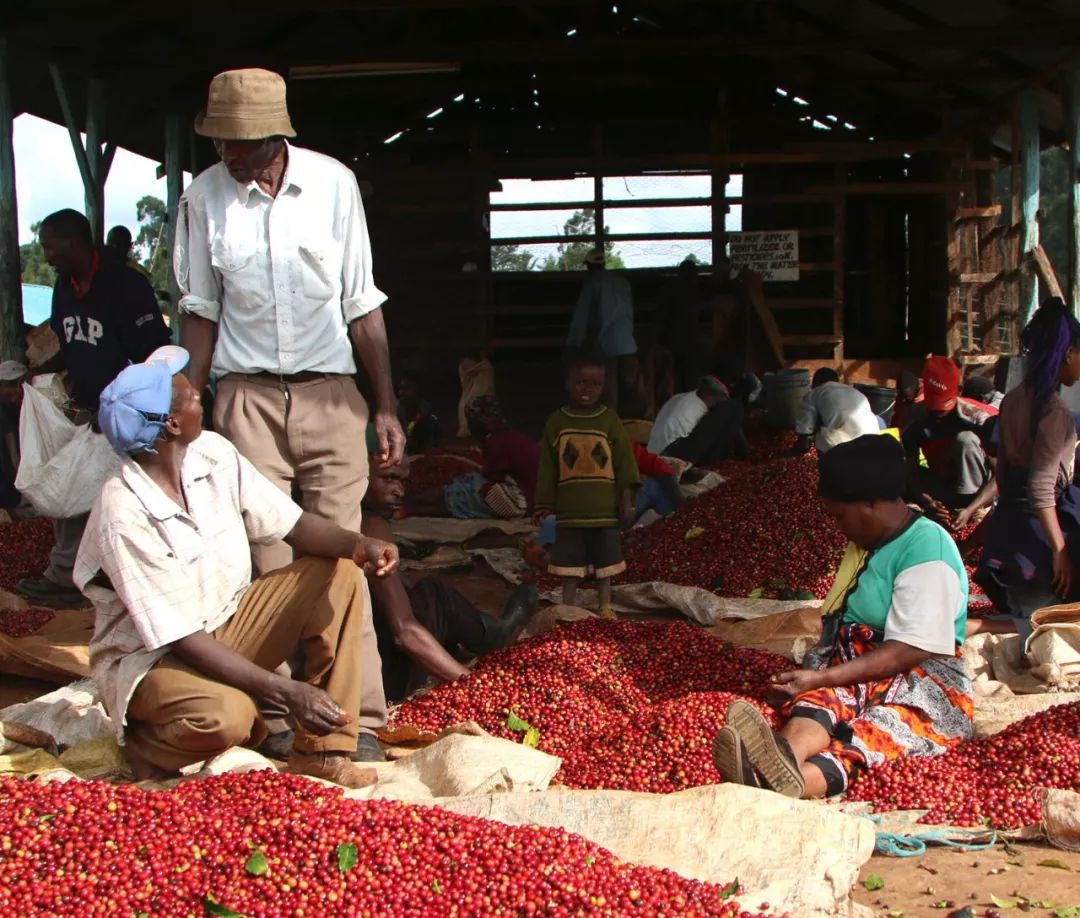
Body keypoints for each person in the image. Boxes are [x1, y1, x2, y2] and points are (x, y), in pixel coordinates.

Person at [74, 347, 398, 787]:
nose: (194, 389)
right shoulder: (123, 512)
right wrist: (287, 691)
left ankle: (322, 753)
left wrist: (359, 543)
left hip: (227, 623)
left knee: (339, 573)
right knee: (229, 718)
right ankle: (145, 746)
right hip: (155, 662)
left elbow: (295, 525)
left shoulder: (212, 453)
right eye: (181, 389)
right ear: (169, 424)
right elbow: (182, 639)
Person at [176, 68, 405, 577]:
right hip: (246, 400)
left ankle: (344, 659)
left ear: (275, 137)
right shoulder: (203, 197)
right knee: (266, 560)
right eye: (220, 141)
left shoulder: (334, 184)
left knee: (344, 561)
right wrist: (188, 403)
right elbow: (200, 313)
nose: (228, 154)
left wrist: (386, 406)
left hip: (331, 398)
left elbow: (362, 304)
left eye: (242, 144)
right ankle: (269, 661)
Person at [712, 435, 972, 799]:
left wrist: (824, 675)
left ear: (870, 502)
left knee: (875, 734)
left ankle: (787, 784)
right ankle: (781, 757)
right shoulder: (871, 541)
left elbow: (909, 650)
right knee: (819, 702)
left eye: (839, 516)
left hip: (918, 680)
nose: (838, 527)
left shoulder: (928, 548)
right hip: (861, 670)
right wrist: (820, 680)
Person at [16, 208, 171, 604]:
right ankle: (75, 574)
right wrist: (36, 378)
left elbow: (156, 354)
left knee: (130, 499)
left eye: (51, 247)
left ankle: (118, 577)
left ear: (75, 242)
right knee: (76, 489)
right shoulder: (64, 287)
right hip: (90, 408)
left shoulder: (124, 285)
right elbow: (68, 345)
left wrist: (132, 408)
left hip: (129, 413)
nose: (47, 256)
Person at [361, 453, 540, 702]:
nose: (399, 491)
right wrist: (482, 692)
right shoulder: (371, 528)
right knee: (432, 594)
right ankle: (494, 634)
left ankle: (473, 636)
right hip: (378, 685)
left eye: (402, 481)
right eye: (388, 478)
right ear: (359, 476)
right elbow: (405, 632)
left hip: (353, 672)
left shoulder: (331, 521)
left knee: (421, 592)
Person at [974, 299, 1080, 638]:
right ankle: (977, 626)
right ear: (1068, 354)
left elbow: (1003, 475)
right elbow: (1040, 488)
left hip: (1009, 529)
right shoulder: (1054, 412)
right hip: (1037, 540)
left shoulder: (1013, 399)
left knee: (1032, 618)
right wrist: (1060, 551)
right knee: (1045, 628)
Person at [535, 356, 639, 618]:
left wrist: (626, 500)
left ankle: (605, 605)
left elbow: (624, 463)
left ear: (603, 387)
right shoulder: (557, 422)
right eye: (581, 382)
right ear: (569, 384)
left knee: (606, 562)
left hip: (605, 510)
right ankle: (569, 607)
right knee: (569, 563)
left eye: (595, 383)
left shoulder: (609, 420)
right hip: (570, 511)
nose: (587, 389)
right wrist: (544, 503)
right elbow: (547, 467)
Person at [406, 395, 538, 520]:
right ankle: (415, 505)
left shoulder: (495, 442)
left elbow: (492, 476)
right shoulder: (514, 436)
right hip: (532, 500)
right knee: (468, 484)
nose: (470, 428)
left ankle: (412, 507)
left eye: (471, 423)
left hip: (520, 504)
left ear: (481, 423)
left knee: (462, 489)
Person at [902, 356, 996, 528]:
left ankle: (972, 509)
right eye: (933, 407)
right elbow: (912, 469)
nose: (938, 414)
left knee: (965, 440)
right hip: (944, 485)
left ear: (958, 391)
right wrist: (927, 501)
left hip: (981, 494)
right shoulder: (913, 417)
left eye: (944, 407)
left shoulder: (979, 418)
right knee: (895, 466)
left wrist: (971, 509)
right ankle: (947, 509)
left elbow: (1002, 475)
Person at [566, 248, 637, 413]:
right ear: (604, 263)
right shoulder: (622, 282)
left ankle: (609, 425)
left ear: (589, 265)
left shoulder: (592, 284)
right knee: (630, 387)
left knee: (608, 392)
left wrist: (574, 343)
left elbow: (581, 318)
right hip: (627, 344)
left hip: (604, 346)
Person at [647, 375, 748, 463]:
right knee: (735, 407)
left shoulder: (679, 397)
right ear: (712, 395)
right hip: (671, 456)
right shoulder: (700, 407)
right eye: (722, 399)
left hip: (654, 452)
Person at [789, 368, 881, 456]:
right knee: (879, 420)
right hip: (873, 441)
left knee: (820, 436)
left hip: (843, 446)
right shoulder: (855, 392)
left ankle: (829, 465)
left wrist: (792, 453)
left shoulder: (814, 393)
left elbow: (805, 432)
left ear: (816, 383)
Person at [0, 360, 28, 510]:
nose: (17, 390)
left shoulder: (14, 410)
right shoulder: (3, 415)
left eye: (19, 385)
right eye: (11, 385)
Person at [396, 372, 440, 455]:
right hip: (402, 444)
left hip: (416, 441)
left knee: (431, 420)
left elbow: (414, 423)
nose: (401, 392)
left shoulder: (424, 406)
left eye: (407, 388)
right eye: (401, 388)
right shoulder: (397, 407)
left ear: (418, 390)